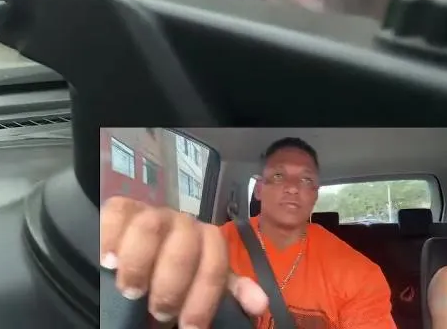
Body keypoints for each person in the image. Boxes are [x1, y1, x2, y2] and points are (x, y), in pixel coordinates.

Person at [101, 137, 395, 329]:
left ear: (315, 195)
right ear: (260, 190)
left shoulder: (360, 274)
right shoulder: (213, 248)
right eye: (278, 175)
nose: (293, 187)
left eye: (306, 180)